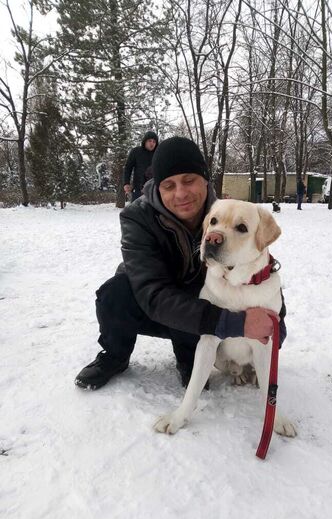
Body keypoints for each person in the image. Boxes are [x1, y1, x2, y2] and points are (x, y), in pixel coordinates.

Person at [75, 137, 287, 391]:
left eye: (189, 180)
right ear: (158, 187)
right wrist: (235, 323)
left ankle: (189, 358)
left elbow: (257, 270)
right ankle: (114, 356)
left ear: (205, 179)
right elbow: (153, 294)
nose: (181, 193)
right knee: (114, 294)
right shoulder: (137, 217)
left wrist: (274, 325)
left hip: (198, 309)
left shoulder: (226, 213)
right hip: (152, 304)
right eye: (169, 185)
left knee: (198, 295)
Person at [123, 131, 158, 201]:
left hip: (154, 190)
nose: (152, 143)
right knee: (137, 207)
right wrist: (126, 183)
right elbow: (128, 168)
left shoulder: (158, 154)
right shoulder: (136, 152)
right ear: (145, 141)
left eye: (154, 142)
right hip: (138, 189)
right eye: (150, 141)